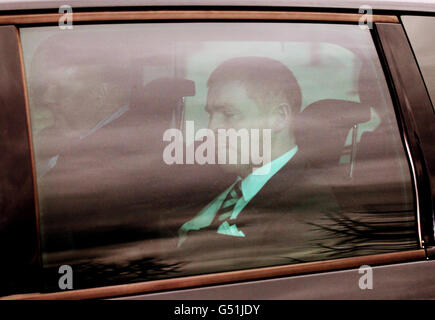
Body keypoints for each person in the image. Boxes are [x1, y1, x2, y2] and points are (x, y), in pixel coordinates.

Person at [175, 57, 339, 272]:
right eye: (211, 115)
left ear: (280, 118)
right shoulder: (212, 177)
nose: (212, 127)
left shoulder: (309, 217)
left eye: (229, 115)